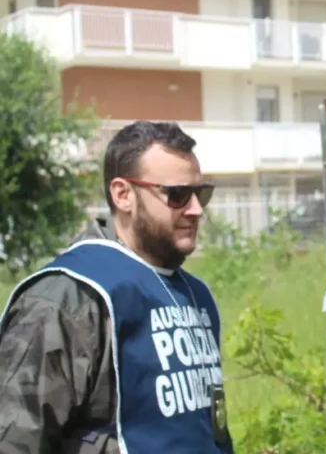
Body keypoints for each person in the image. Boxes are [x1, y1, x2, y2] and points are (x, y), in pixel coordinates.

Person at [0, 121, 235, 454]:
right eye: (178, 194)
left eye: (201, 193)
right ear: (123, 194)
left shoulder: (195, 296)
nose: (196, 209)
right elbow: (14, 441)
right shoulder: (68, 298)